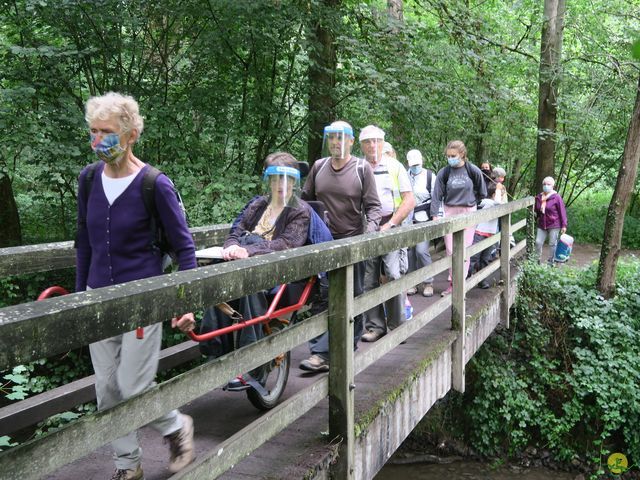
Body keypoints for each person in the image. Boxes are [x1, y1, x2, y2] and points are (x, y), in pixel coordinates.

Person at [75, 92, 196, 480]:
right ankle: (128, 466)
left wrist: (186, 301)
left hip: (142, 299)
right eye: (93, 132)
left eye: (106, 132)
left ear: (130, 135)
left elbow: (184, 247)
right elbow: (84, 241)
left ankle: (176, 427)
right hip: (97, 298)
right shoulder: (89, 179)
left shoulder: (153, 184)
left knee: (132, 383)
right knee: (106, 389)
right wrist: (79, 298)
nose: (98, 140)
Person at [199, 152, 312, 386]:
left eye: (286, 179)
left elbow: (287, 243)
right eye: (275, 179)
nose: (281, 185)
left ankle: (253, 367)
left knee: (250, 284)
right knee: (215, 281)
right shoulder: (258, 204)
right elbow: (235, 231)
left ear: (293, 182)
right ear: (268, 181)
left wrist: (248, 250)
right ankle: (215, 356)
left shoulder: (300, 210)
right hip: (242, 265)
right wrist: (231, 247)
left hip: (276, 270)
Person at [299, 120, 382, 371]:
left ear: (350, 141)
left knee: (351, 296)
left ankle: (346, 346)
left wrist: (367, 235)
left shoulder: (361, 168)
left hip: (352, 241)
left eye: (340, 137)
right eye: (331, 137)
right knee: (322, 296)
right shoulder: (318, 167)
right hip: (322, 242)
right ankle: (320, 352)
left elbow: (374, 207)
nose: (335, 142)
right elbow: (305, 202)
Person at [358, 125, 415, 343]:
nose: (373, 145)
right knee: (368, 278)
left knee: (392, 273)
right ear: (361, 145)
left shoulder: (394, 166)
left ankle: (397, 325)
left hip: (391, 224)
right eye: (368, 141)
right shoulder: (358, 167)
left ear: (383, 143)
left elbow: (409, 200)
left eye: (377, 141)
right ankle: (375, 326)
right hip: (366, 228)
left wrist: (391, 223)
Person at [430, 140, 487, 296]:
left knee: (464, 249)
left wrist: (471, 201)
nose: (450, 158)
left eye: (453, 155)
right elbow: (436, 195)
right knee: (450, 250)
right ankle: (452, 282)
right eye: (448, 156)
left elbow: (482, 191)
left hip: (468, 211)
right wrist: (434, 215)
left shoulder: (472, 170)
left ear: (462, 154)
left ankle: (458, 284)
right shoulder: (444, 172)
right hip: (449, 212)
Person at [406, 149, 435, 297]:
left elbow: (437, 198)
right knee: (410, 251)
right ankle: (412, 282)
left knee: (421, 250)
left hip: (425, 217)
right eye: (413, 164)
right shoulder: (405, 175)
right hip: (408, 218)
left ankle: (428, 282)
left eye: (417, 164)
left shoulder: (430, 176)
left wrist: (437, 216)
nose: (415, 167)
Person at [469, 182, 498, 288]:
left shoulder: (492, 203)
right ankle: (466, 278)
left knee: (485, 258)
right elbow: (499, 202)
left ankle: (482, 280)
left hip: (490, 234)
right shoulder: (489, 202)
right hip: (479, 233)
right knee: (474, 257)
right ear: (494, 194)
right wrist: (498, 190)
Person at [534, 176, 567, 265]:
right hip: (542, 224)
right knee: (538, 242)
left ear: (552, 186)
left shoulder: (556, 197)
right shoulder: (539, 197)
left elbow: (562, 211)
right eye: (544, 184)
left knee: (552, 243)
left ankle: (550, 262)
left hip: (554, 224)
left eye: (548, 184)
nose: (546, 186)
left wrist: (564, 225)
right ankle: (536, 262)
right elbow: (536, 211)